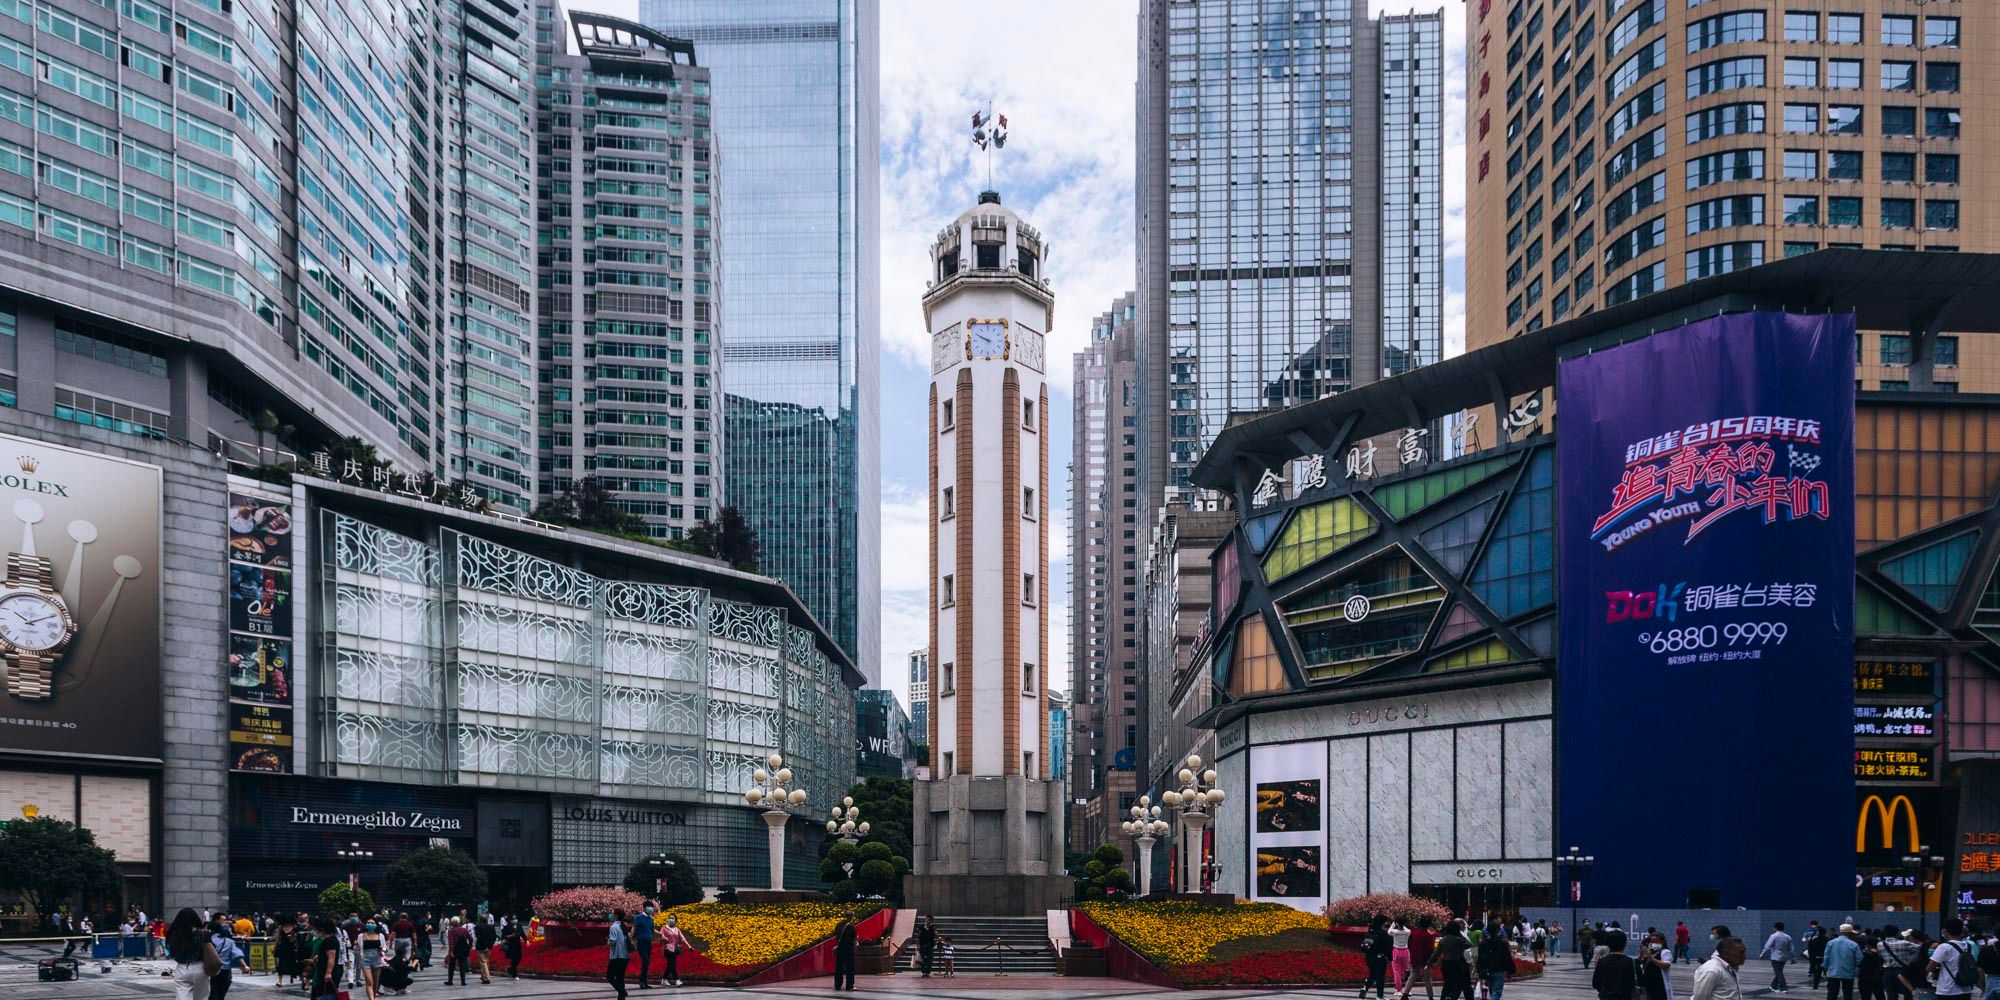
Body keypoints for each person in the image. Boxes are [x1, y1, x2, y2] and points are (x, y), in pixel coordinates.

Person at [166, 908, 222, 1000]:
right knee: (201, 997)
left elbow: (171, 951)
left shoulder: (173, 934)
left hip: (182, 968)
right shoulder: (202, 934)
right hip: (200, 968)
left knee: (182, 997)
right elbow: (212, 949)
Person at [1929, 919, 1978, 1000]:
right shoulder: (1969, 946)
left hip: (1947, 990)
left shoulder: (1944, 947)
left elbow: (1929, 968)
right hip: (1966, 989)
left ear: (1945, 931)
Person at [1430, 919, 1476, 1000]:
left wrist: (1429, 962)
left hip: (1446, 964)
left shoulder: (1443, 940)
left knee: (1447, 984)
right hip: (1458, 964)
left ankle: (1444, 997)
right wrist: (1461, 935)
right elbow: (1469, 945)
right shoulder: (1459, 940)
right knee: (1460, 983)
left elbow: (1436, 953)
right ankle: (1452, 996)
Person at [209, 918, 250, 1000]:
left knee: (213, 994)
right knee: (221, 995)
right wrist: (244, 966)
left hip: (209, 971)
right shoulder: (229, 941)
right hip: (225, 971)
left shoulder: (206, 941)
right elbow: (237, 954)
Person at [307, 916, 343, 1000]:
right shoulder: (328, 940)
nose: (315, 930)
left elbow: (331, 958)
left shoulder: (330, 941)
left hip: (327, 974)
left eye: (316, 929)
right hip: (322, 972)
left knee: (326, 995)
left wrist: (328, 973)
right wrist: (319, 957)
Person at [1594, 931, 1638, 1000]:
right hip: (1625, 997)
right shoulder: (1632, 962)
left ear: (1608, 945)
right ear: (1625, 944)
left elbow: (1595, 983)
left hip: (1606, 997)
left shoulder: (1602, 961)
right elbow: (1639, 982)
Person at [1479, 921, 1517, 1000]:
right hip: (1499, 970)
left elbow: (1480, 959)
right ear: (1497, 930)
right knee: (1497, 992)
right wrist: (1510, 971)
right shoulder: (1502, 943)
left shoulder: (1483, 943)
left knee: (1492, 990)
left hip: (1487, 970)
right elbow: (1507, 957)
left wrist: (1481, 971)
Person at [1825, 925, 1863, 1000]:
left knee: (1832, 994)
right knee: (1847, 995)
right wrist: (1854, 966)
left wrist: (1826, 968)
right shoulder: (1853, 944)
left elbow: (1826, 958)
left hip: (1833, 972)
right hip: (1848, 973)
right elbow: (1859, 959)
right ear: (1849, 933)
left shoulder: (1830, 943)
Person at [1364, 916, 1394, 1000]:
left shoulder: (1370, 932)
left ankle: (1364, 988)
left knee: (1373, 974)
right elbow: (1388, 948)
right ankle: (1379, 996)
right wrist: (1390, 958)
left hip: (1369, 957)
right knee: (1380, 977)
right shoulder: (1384, 934)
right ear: (1382, 923)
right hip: (1380, 958)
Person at [606, 908, 634, 1000]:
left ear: (616, 915)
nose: (611, 915)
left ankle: (622, 991)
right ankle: (621, 998)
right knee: (620, 977)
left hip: (616, 956)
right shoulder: (624, 926)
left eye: (612, 913)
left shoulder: (613, 927)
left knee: (610, 976)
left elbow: (612, 942)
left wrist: (608, 942)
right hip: (625, 956)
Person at [1764, 921, 1797, 993]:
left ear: (1775, 928)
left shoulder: (1773, 936)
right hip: (1784, 958)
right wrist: (1793, 957)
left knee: (1778, 972)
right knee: (1779, 972)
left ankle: (1783, 987)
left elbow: (1767, 946)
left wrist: (1762, 954)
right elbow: (1791, 948)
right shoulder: (1788, 936)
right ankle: (1773, 986)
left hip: (1775, 957)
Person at [1640, 932, 1675, 1000]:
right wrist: (1641, 956)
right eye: (1651, 941)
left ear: (1663, 941)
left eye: (1655, 941)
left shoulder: (1665, 952)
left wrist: (1652, 959)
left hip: (1659, 984)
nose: (1653, 943)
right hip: (1648, 984)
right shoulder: (1650, 952)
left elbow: (1666, 965)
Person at [359, 919, 386, 999]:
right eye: (368, 922)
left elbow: (385, 947)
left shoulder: (380, 936)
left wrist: (382, 949)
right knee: (369, 982)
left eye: (372, 923)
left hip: (377, 959)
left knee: (375, 982)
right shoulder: (361, 936)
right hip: (365, 960)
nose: (369, 924)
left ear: (376, 925)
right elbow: (359, 948)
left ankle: (373, 997)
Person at [660, 914, 689, 988]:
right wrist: (663, 938)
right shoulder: (664, 927)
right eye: (670, 918)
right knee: (672, 964)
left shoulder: (677, 929)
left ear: (675, 921)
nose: (671, 919)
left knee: (670, 964)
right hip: (667, 948)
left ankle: (664, 979)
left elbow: (682, 938)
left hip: (675, 949)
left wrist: (689, 945)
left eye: (672, 918)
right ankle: (677, 980)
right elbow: (661, 936)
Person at [1390, 918, 1416, 998]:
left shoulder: (1394, 932)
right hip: (1405, 951)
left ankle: (1398, 990)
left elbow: (1389, 931)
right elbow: (1405, 928)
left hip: (1396, 951)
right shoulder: (1408, 932)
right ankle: (1407, 990)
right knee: (1407, 971)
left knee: (1397, 972)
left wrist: (1393, 923)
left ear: (1397, 923)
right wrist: (1401, 924)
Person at [634, 901, 657, 988]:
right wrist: (631, 940)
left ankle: (644, 982)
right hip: (641, 942)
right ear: (644, 908)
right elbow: (634, 929)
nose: (651, 908)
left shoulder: (651, 919)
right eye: (649, 907)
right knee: (645, 960)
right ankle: (641, 981)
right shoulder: (638, 918)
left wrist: (661, 935)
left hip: (648, 942)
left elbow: (653, 930)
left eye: (651, 907)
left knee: (646, 963)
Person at [445, 916, 474, 986]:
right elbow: (470, 939)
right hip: (462, 950)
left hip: (454, 950)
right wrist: (469, 947)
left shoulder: (451, 931)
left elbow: (451, 942)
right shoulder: (463, 929)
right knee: (462, 965)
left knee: (451, 966)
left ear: (453, 923)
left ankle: (450, 981)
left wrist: (451, 951)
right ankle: (463, 981)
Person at [832, 917, 858, 992]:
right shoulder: (851, 926)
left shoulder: (838, 925)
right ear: (851, 917)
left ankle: (837, 985)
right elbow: (854, 938)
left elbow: (836, 935)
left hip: (840, 949)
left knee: (839, 968)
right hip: (848, 950)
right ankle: (849, 986)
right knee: (849, 968)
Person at [1860, 934, 1887, 1000]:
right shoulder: (1881, 954)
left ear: (1869, 945)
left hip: (1865, 979)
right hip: (1878, 978)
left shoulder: (1865, 955)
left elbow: (1861, 965)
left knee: (1865, 997)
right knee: (1880, 996)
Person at [474, 913, 497, 984]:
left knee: (483, 962)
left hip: (481, 946)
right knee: (486, 961)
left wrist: (485, 945)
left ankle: (487, 978)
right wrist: (489, 945)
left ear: (480, 920)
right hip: (489, 947)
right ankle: (483, 976)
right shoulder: (491, 927)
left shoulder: (477, 927)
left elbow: (479, 937)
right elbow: (494, 937)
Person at [1807, 923, 1830, 991]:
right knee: (1827, 972)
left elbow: (1811, 949)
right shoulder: (1827, 939)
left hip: (1817, 958)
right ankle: (1829, 985)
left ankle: (1815, 985)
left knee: (1817, 972)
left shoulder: (1815, 939)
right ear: (1825, 932)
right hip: (1825, 957)